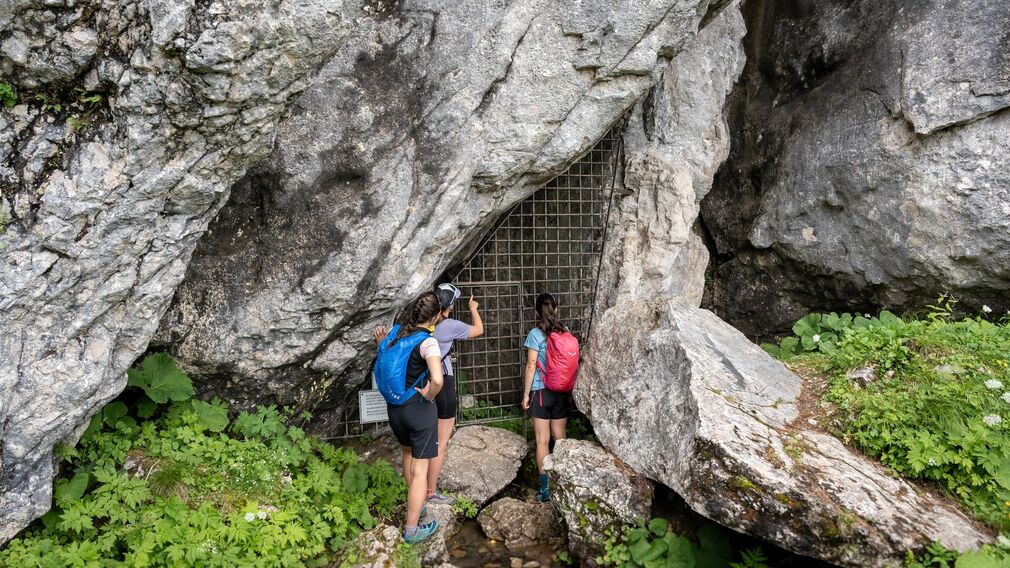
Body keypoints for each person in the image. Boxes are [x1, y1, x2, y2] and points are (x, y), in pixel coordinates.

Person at [373, 292, 444, 544]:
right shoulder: (428, 342)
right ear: (435, 316)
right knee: (421, 470)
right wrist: (428, 394)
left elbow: (388, 359)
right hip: (418, 409)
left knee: (407, 454)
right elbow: (437, 379)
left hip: (395, 410)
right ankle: (412, 530)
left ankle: (417, 506)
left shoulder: (396, 333)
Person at [427, 282, 484, 504]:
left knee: (425, 440)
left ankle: (419, 485)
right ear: (449, 306)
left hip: (425, 385)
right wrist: (473, 309)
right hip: (444, 384)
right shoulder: (449, 325)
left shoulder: (423, 325)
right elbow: (478, 330)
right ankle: (431, 492)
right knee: (441, 443)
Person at [521, 293, 571, 502]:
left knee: (542, 441)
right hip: (562, 391)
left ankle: (546, 490)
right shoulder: (565, 331)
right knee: (560, 437)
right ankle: (566, 483)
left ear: (536, 312)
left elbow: (532, 364)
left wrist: (526, 394)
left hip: (541, 391)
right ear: (556, 310)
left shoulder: (535, 333)